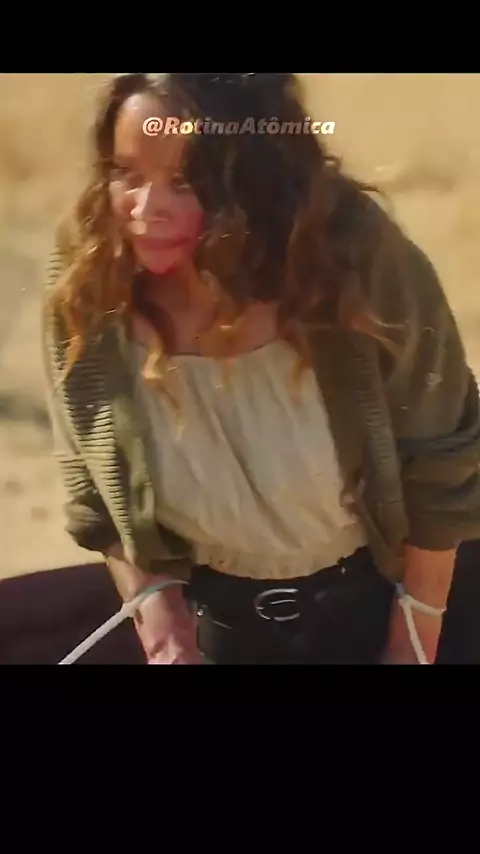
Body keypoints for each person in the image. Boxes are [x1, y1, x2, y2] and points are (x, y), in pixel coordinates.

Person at [42, 72, 480, 665]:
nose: (146, 209)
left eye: (184, 182)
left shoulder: (356, 256)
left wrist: (411, 648)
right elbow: (94, 484)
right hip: (222, 617)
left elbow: (444, 463)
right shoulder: (89, 276)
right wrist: (166, 636)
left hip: (413, 600)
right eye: (127, 174)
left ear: (252, 182)